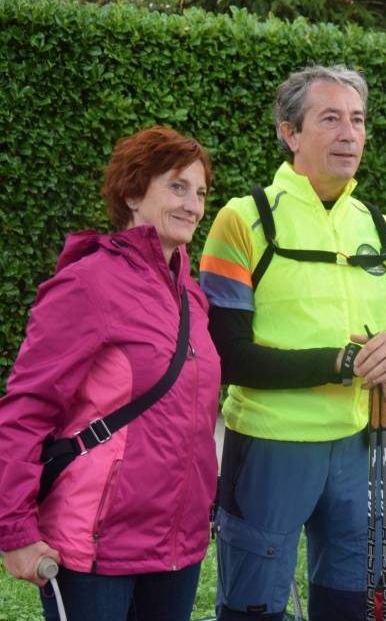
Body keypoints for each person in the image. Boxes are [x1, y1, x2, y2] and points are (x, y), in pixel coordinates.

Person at [199, 65, 386, 621]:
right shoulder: (243, 219)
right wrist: (341, 362)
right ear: (290, 132)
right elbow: (226, 353)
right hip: (269, 446)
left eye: (357, 120)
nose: (349, 134)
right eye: (330, 119)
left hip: (359, 447)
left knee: (350, 605)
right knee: (252, 607)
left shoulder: (381, 228)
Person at [0, 126, 220, 621]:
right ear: (133, 193)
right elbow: (26, 411)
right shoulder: (87, 284)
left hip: (176, 547)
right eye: (177, 187)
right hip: (95, 549)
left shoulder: (193, 296)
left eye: (201, 192)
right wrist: (15, 531)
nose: (193, 204)